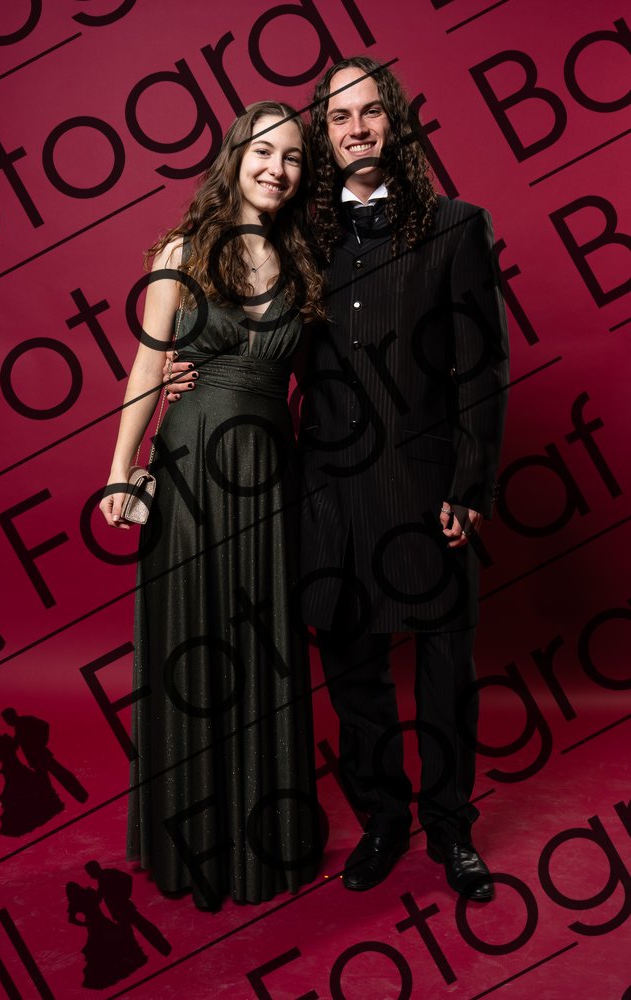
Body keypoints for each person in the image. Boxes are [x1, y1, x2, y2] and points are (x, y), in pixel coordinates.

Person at [167, 60, 509, 902]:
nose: (356, 128)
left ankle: (450, 829)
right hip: (323, 492)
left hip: (427, 488)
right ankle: (382, 822)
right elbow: (242, 310)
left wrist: (469, 485)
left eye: (370, 112)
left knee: (443, 670)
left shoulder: (457, 226)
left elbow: (482, 366)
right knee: (353, 672)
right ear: (323, 135)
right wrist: (195, 368)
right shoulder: (301, 240)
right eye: (338, 117)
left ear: (396, 123)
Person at [99, 101, 325, 911]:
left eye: (291, 157)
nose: (275, 169)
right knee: (195, 648)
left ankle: (267, 840)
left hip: (272, 478)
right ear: (234, 158)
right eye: (262, 152)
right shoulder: (182, 250)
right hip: (191, 472)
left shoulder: (306, 262)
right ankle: (193, 845)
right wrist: (120, 471)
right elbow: (146, 368)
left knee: (264, 647)